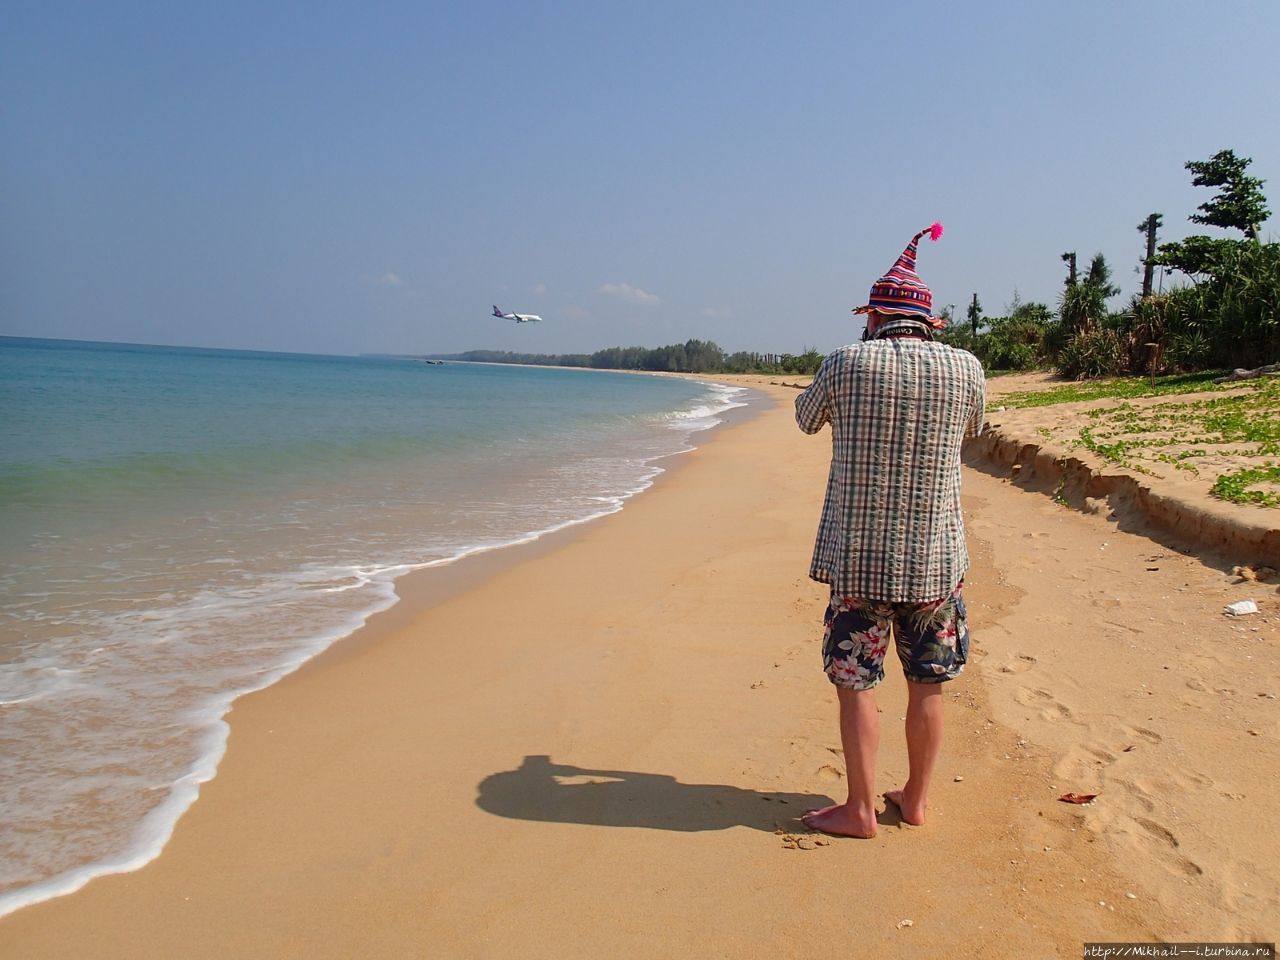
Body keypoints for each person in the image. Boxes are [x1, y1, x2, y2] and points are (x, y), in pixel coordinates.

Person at [794, 223, 985, 838]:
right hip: (935, 561)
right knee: (927, 685)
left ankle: (859, 808)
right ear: (929, 323)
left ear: (875, 316)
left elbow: (804, 418)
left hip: (859, 562)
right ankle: (917, 799)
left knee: (857, 685)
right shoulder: (966, 370)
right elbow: (974, 433)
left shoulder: (846, 363)